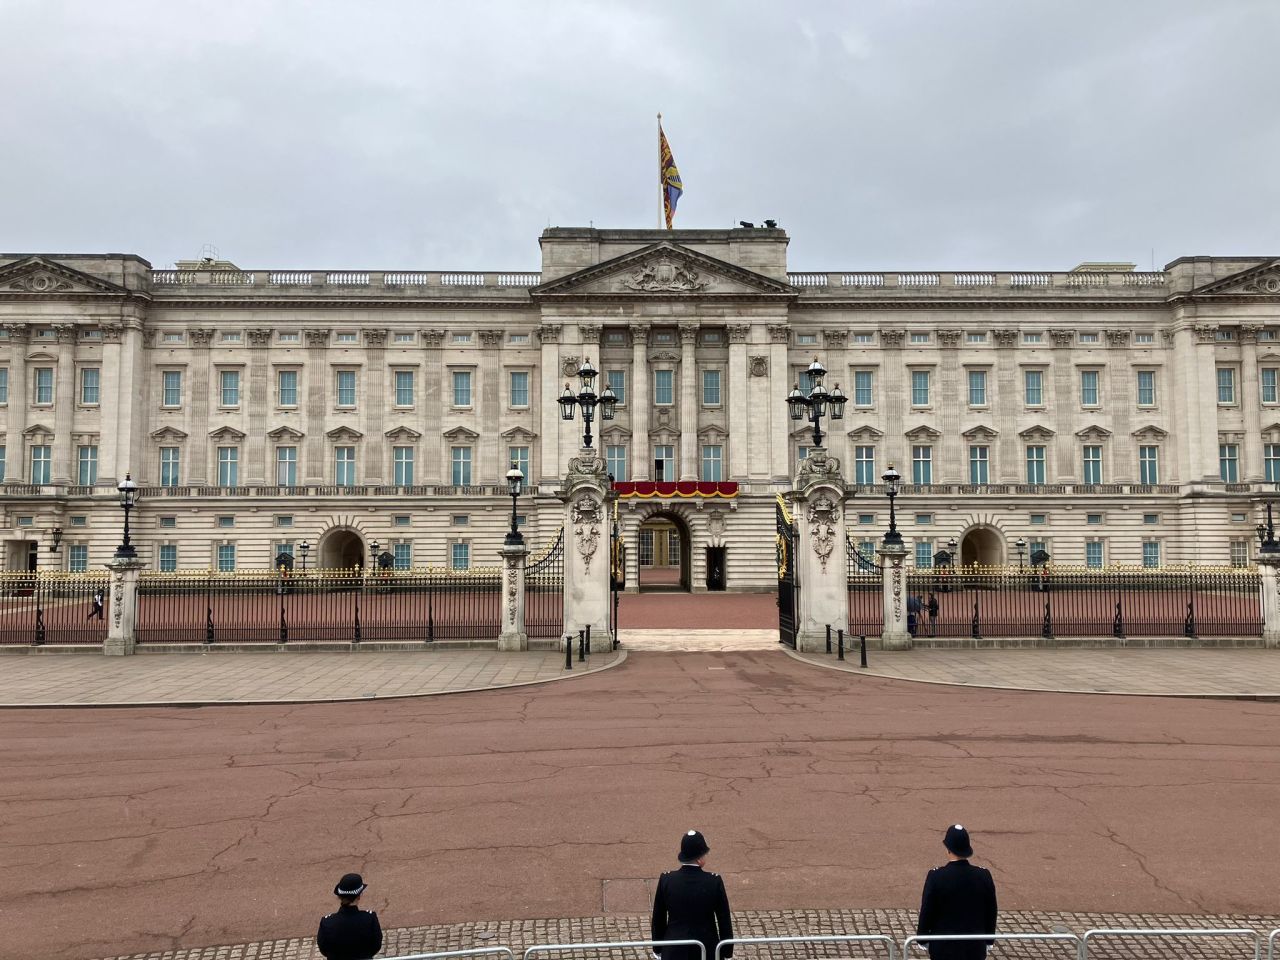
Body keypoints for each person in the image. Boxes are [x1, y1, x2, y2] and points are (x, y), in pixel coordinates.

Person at [917, 825, 998, 960]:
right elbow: (991, 910)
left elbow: (927, 910)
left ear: (948, 849)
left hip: (943, 948)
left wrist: (922, 937)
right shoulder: (983, 875)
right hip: (974, 948)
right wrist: (989, 939)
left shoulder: (936, 876)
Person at [651, 830, 733, 960]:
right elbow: (724, 921)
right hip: (707, 949)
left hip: (673, 949)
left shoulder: (666, 880)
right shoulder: (713, 881)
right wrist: (727, 951)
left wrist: (658, 948)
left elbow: (658, 919)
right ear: (700, 858)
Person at [317, 872, 382, 960]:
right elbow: (376, 945)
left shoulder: (327, 922)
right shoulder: (370, 919)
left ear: (340, 897)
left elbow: (324, 949)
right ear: (359, 896)